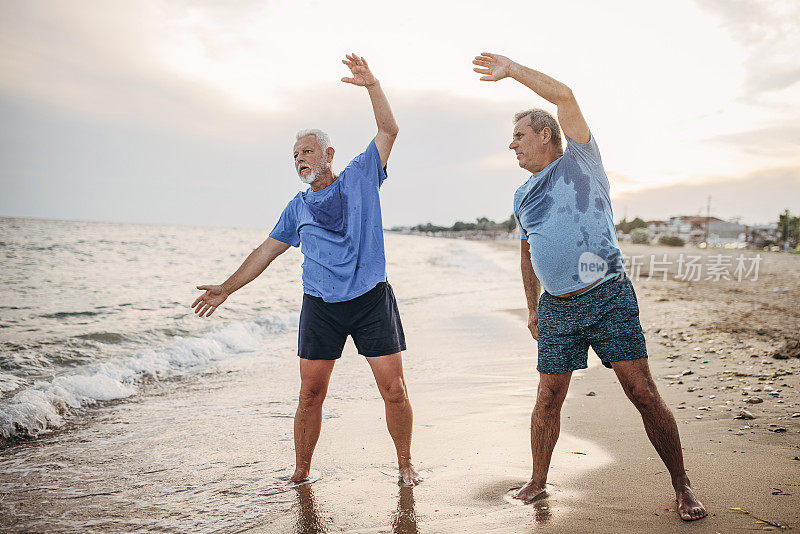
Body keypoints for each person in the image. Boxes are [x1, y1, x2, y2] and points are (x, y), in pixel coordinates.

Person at [472, 52, 707, 521]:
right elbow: (528, 252)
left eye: (519, 135)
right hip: (557, 308)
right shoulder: (521, 194)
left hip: (607, 295)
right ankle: (538, 481)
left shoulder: (581, 156)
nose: (511, 144)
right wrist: (533, 309)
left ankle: (682, 487)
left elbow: (565, 95)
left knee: (641, 391)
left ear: (545, 134)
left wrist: (513, 70)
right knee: (548, 395)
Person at [192, 53, 421, 486]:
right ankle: (301, 472)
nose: (299, 158)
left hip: (371, 298)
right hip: (321, 306)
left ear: (328, 153)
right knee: (310, 393)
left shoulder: (361, 175)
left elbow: (389, 130)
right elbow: (265, 251)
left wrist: (373, 86)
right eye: (295, 154)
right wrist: (226, 288)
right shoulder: (296, 208)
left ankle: (405, 463)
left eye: (308, 150)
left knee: (394, 390)